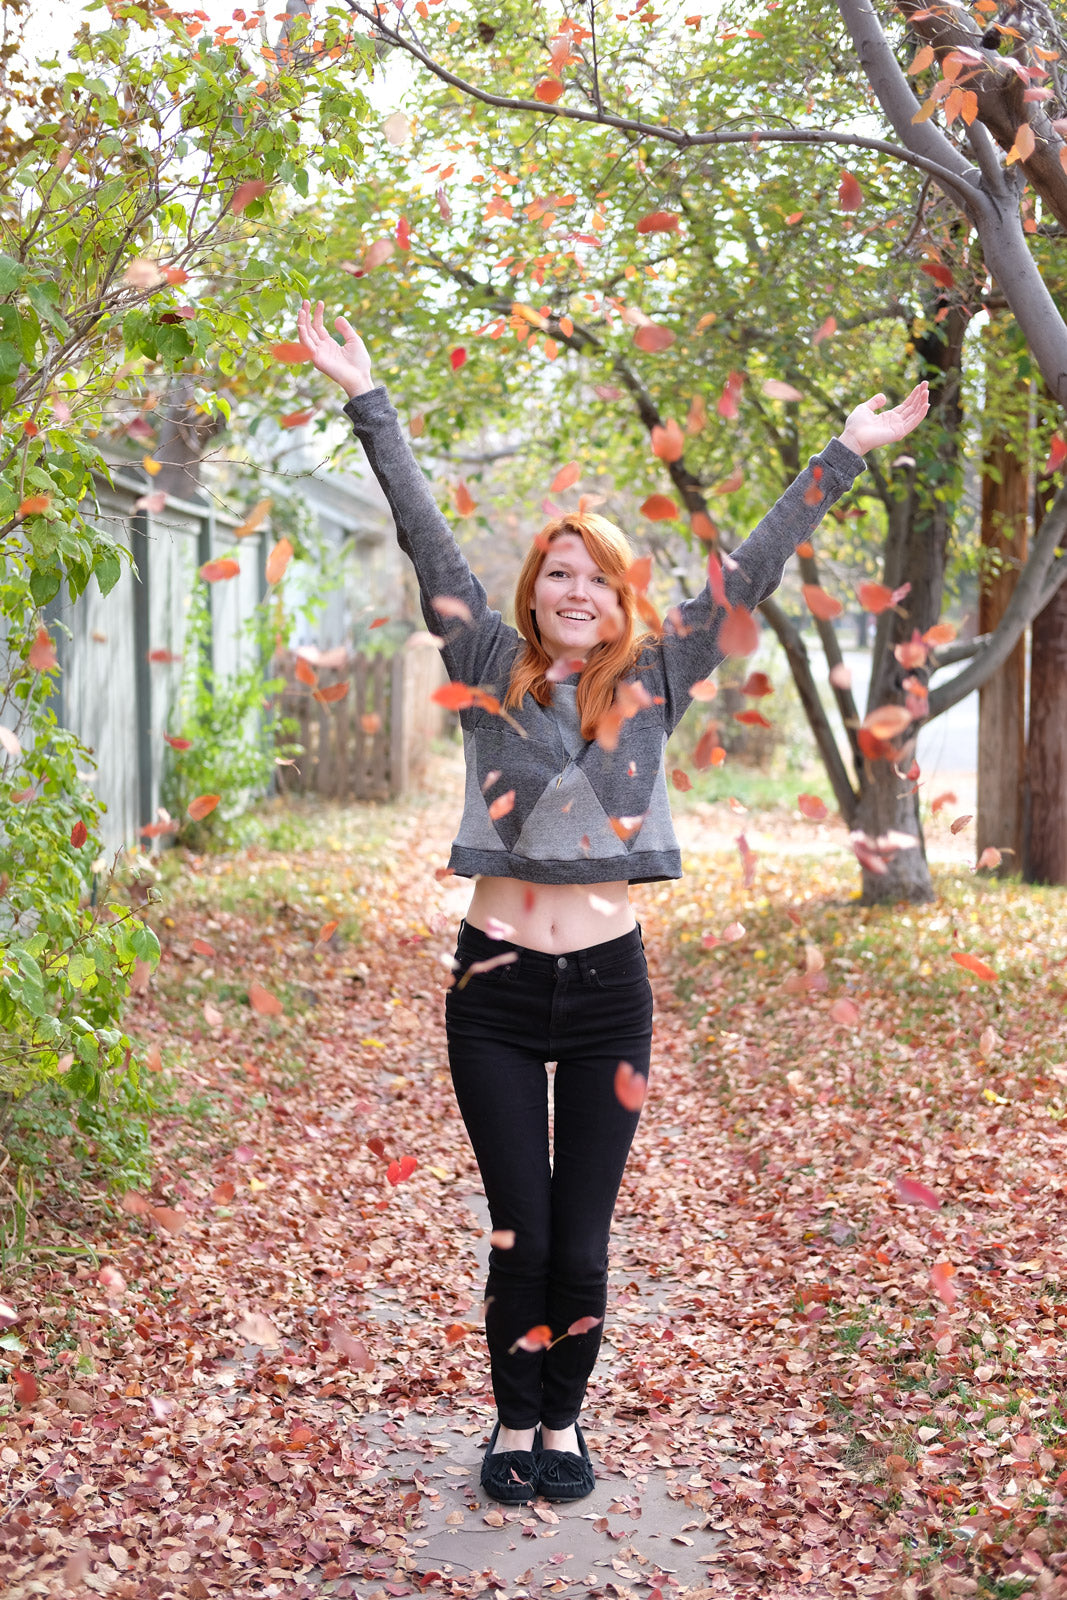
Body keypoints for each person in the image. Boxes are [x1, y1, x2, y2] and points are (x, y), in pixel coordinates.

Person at [296, 299, 929, 1503]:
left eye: (591, 576)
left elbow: (751, 563)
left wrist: (842, 451)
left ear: (615, 595)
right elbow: (425, 535)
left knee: (579, 1237)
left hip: (604, 996)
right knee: (518, 1229)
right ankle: (507, 1420)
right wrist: (365, 394)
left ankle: (561, 1428)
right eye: (555, 575)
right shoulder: (483, 665)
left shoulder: (656, 672)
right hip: (489, 988)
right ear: (531, 594)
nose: (573, 592)